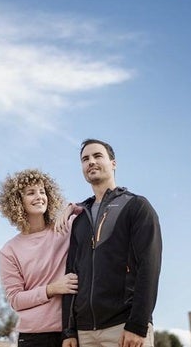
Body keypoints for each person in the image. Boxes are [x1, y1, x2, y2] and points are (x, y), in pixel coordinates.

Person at [61, 139, 162, 347]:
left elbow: (149, 267)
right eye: (85, 159)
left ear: (113, 163)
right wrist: (68, 331)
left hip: (124, 328)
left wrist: (138, 324)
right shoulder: (79, 220)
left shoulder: (136, 206)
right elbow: (71, 275)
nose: (91, 162)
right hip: (84, 333)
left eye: (98, 156)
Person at [0, 169, 79, 347]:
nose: (39, 196)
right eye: (31, 193)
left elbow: (90, 209)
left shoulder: (64, 228)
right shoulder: (9, 251)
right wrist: (52, 289)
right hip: (33, 337)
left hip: (70, 332)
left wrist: (69, 208)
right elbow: (16, 300)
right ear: (17, 201)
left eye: (42, 191)